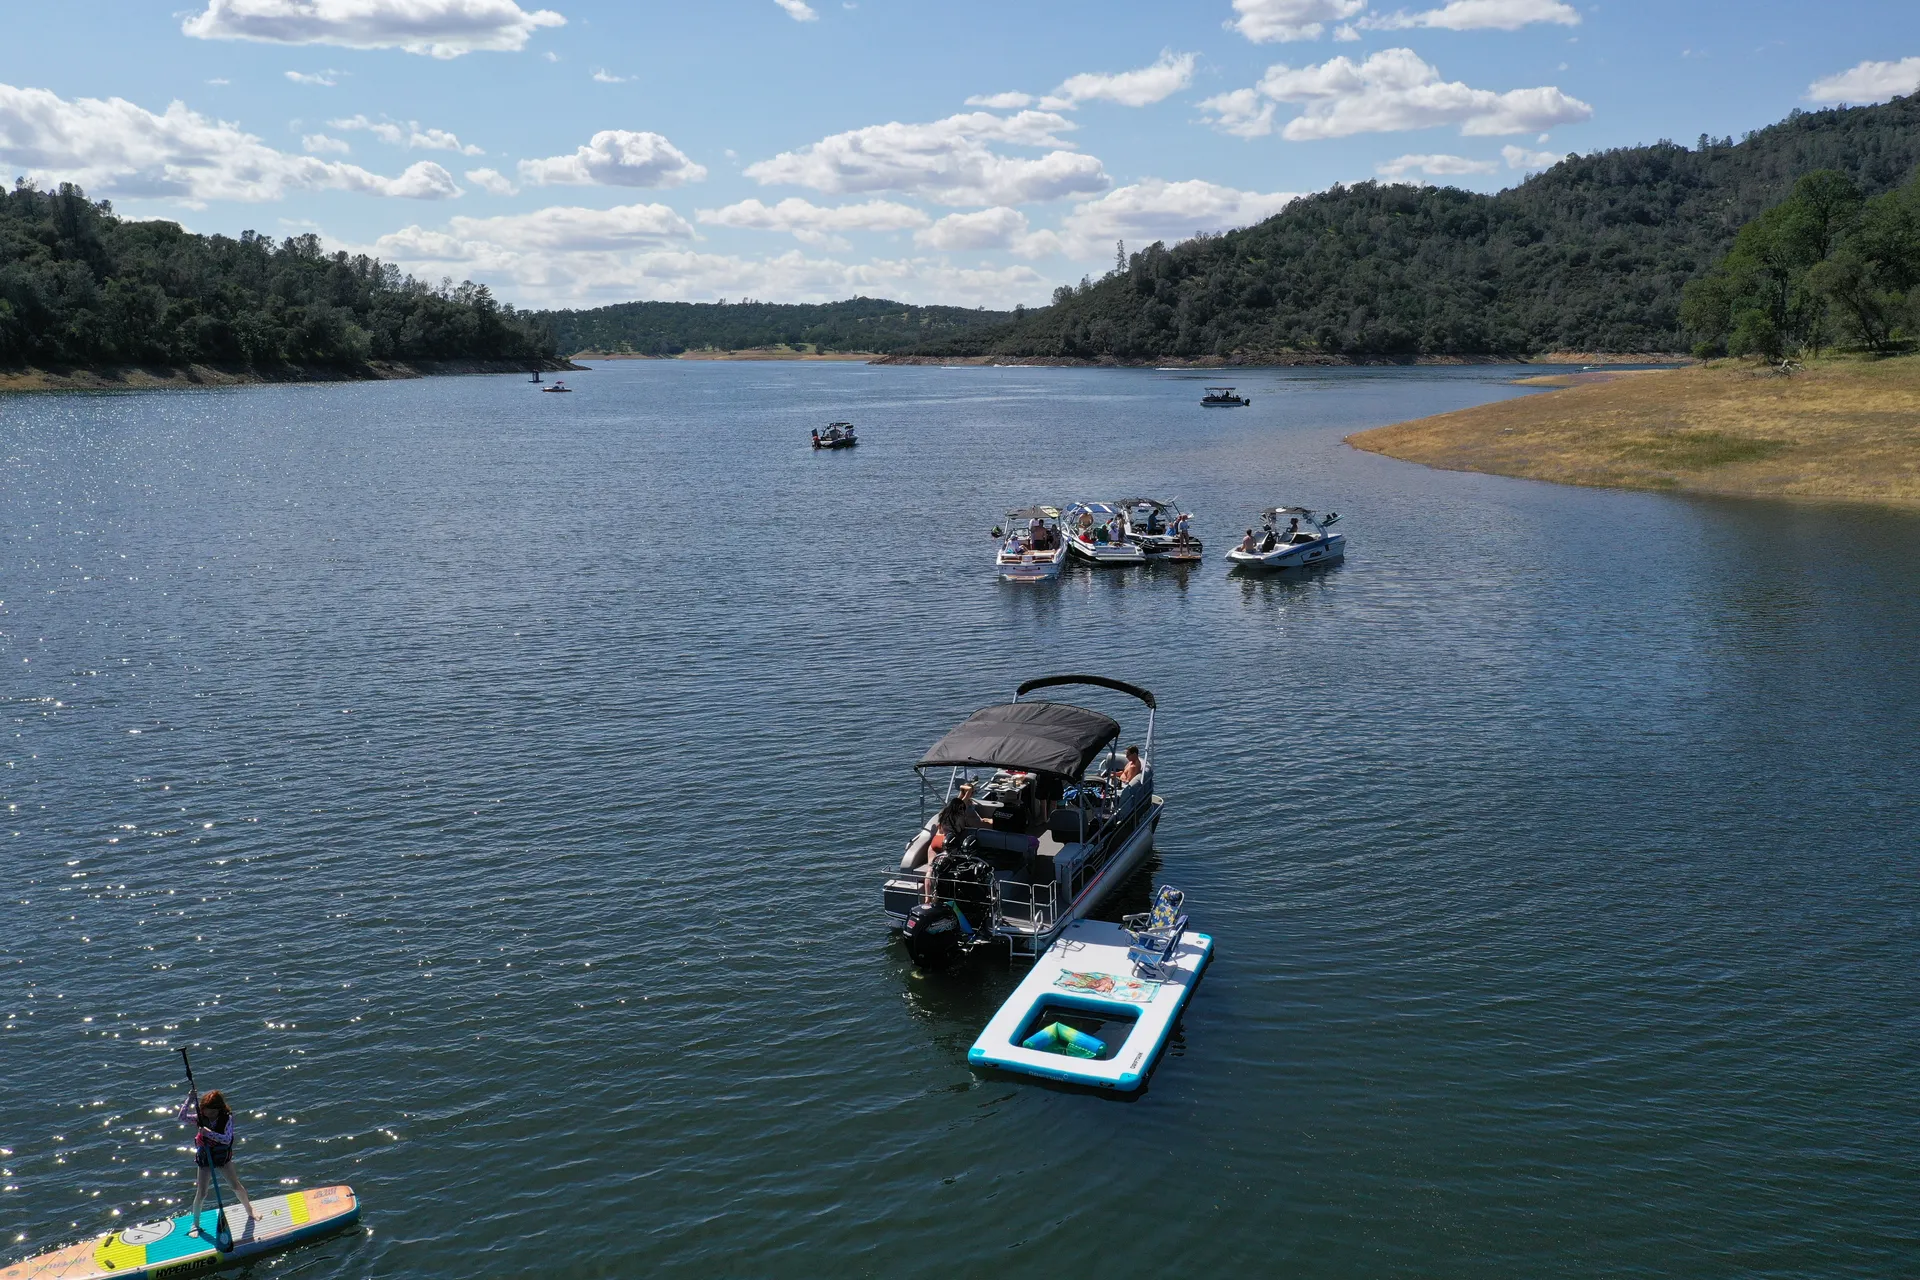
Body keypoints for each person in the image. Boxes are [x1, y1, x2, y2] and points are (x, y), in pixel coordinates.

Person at [179, 1086, 254, 1233]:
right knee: (202, 1192)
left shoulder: (227, 1118)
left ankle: (250, 1211)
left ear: (219, 1109)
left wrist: (208, 1133)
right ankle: (195, 1225)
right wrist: (189, 1099)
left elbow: (226, 1139)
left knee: (235, 1186)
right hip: (205, 1158)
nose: (209, 1114)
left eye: (213, 1112)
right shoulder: (201, 1118)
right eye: (207, 1111)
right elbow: (181, 1117)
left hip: (222, 1157)